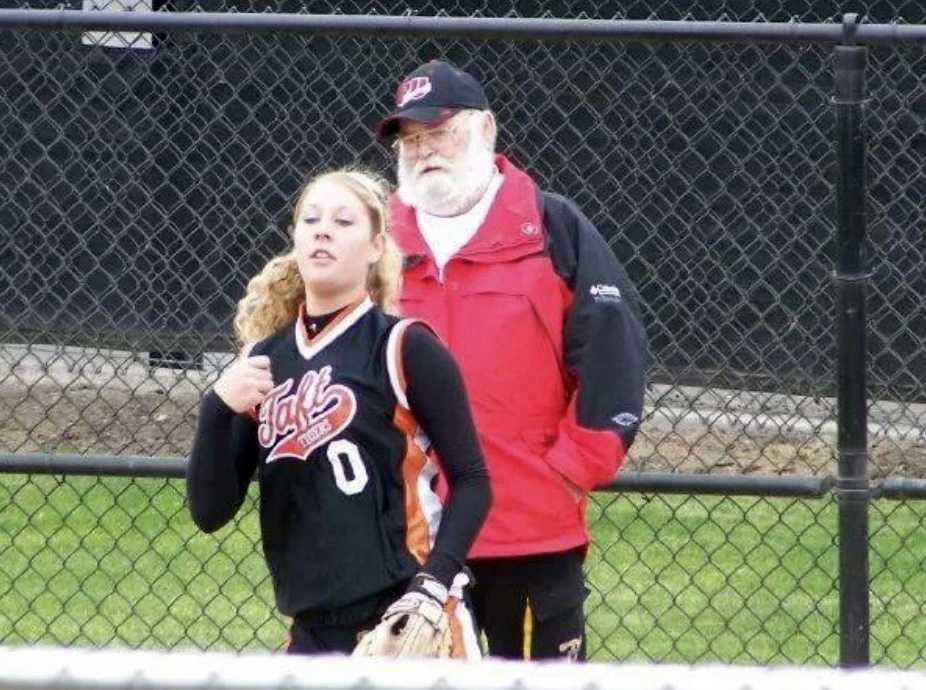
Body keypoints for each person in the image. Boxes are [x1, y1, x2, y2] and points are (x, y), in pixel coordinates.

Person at [376, 60, 648, 662]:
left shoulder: (552, 226)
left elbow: (613, 352)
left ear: (487, 131)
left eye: (440, 133)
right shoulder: (378, 241)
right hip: (407, 538)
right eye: (411, 140)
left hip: (527, 528)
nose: (425, 152)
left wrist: (568, 469)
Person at [186, 168, 490, 657]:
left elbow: (473, 479)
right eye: (311, 219)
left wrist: (434, 584)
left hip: (407, 616)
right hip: (311, 632)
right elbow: (209, 511)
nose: (323, 230)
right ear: (296, 239)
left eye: (344, 221)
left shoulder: (402, 345)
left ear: (375, 247)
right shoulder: (263, 362)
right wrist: (216, 408)